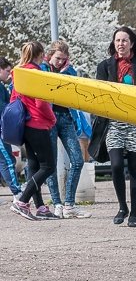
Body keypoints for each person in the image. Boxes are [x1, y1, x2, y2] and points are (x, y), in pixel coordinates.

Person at [95, 26, 136, 227]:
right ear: (114, 43)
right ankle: (122, 206)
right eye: (117, 40)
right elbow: (99, 95)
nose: (120, 44)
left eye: (124, 40)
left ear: (131, 43)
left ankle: (134, 213)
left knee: (135, 169)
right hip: (114, 123)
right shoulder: (105, 66)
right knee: (117, 165)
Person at [41, 40, 92, 218]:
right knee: (51, 164)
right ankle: (57, 203)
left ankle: (69, 204)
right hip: (49, 118)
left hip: (66, 118)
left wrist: (67, 72)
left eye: (63, 59)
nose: (60, 62)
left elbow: (74, 90)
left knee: (77, 160)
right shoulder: (42, 69)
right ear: (49, 56)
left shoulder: (69, 71)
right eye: (57, 58)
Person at [9, 42, 57, 220]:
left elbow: (14, 99)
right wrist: (52, 118)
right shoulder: (37, 74)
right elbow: (42, 102)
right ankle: (22, 201)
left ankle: (41, 208)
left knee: (35, 165)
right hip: (38, 124)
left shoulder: (19, 73)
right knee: (48, 166)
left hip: (25, 126)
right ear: (41, 55)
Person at [0, 56, 22, 200]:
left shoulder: (2, 86)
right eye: (7, 71)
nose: (9, 74)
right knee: (7, 160)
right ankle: (17, 193)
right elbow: (5, 108)